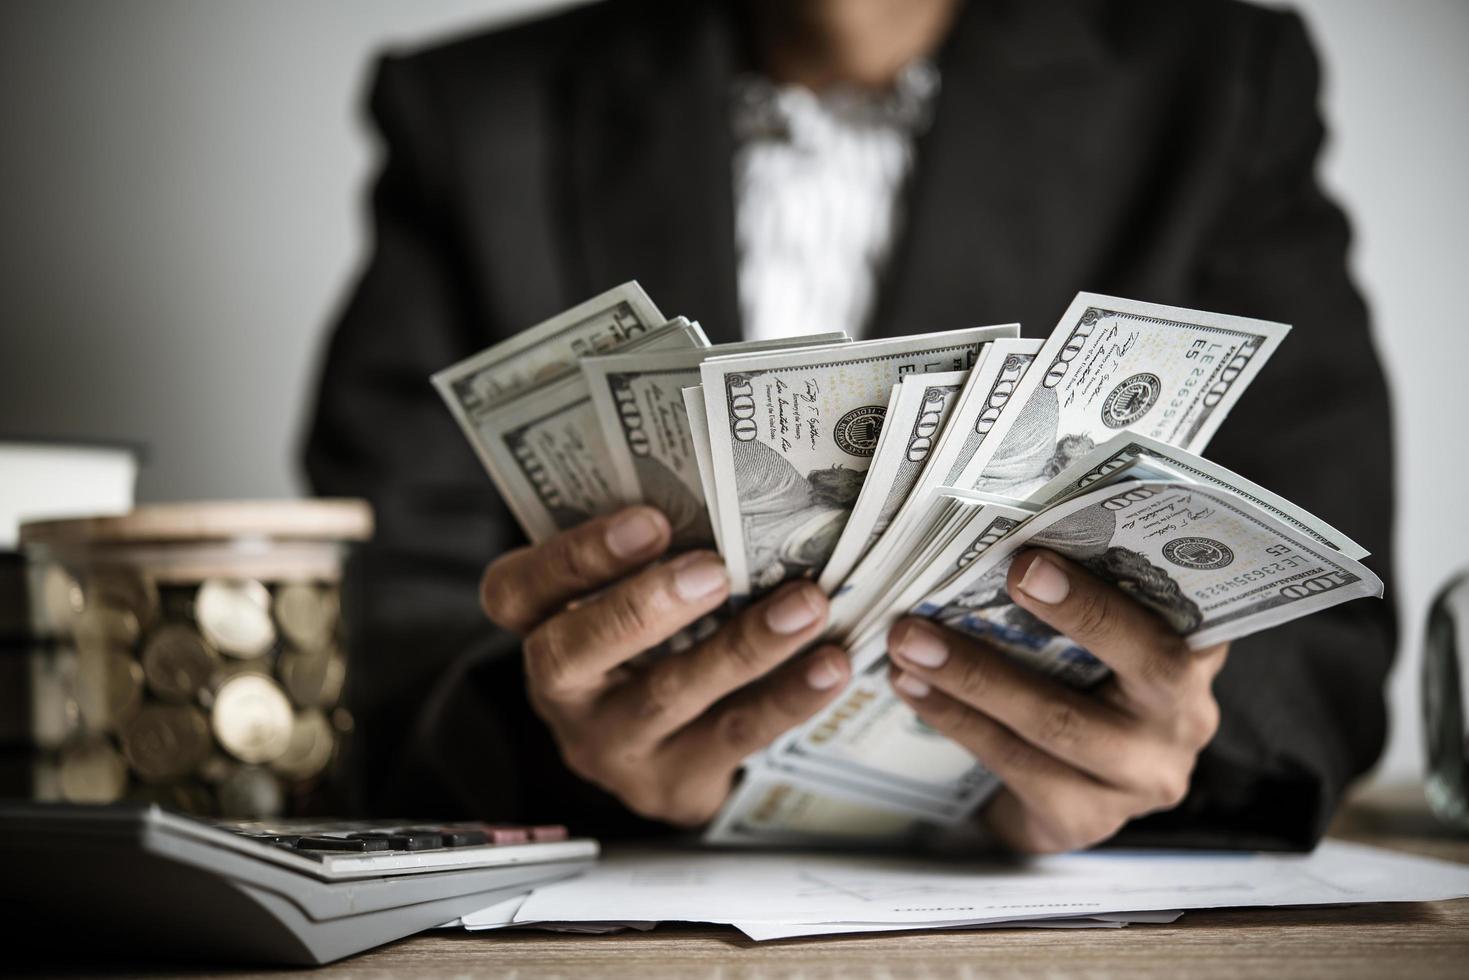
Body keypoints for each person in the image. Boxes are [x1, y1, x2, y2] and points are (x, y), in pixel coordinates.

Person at [305, 0, 1395, 852]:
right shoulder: (477, 113)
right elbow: (376, 622)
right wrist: (557, 735)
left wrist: (1143, 768)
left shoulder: (1219, 87)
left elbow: (1322, 636)